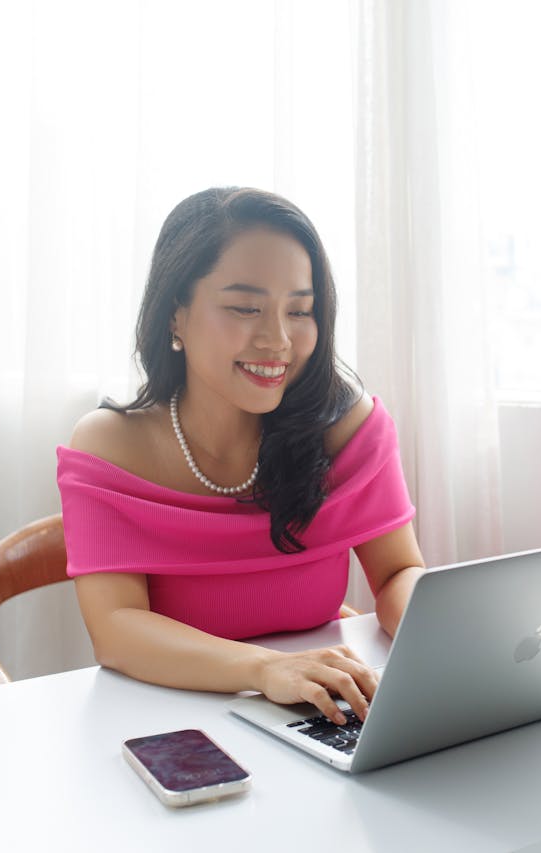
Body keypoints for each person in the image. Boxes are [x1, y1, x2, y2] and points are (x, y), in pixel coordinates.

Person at [56, 187, 424, 726]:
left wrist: (452, 636)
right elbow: (116, 627)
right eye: (245, 307)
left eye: (300, 310)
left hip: (315, 715)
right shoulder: (111, 445)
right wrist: (266, 670)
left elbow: (396, 574)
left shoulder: (346, 427)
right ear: (175, 314)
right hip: (168, 725)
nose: (278, 339)